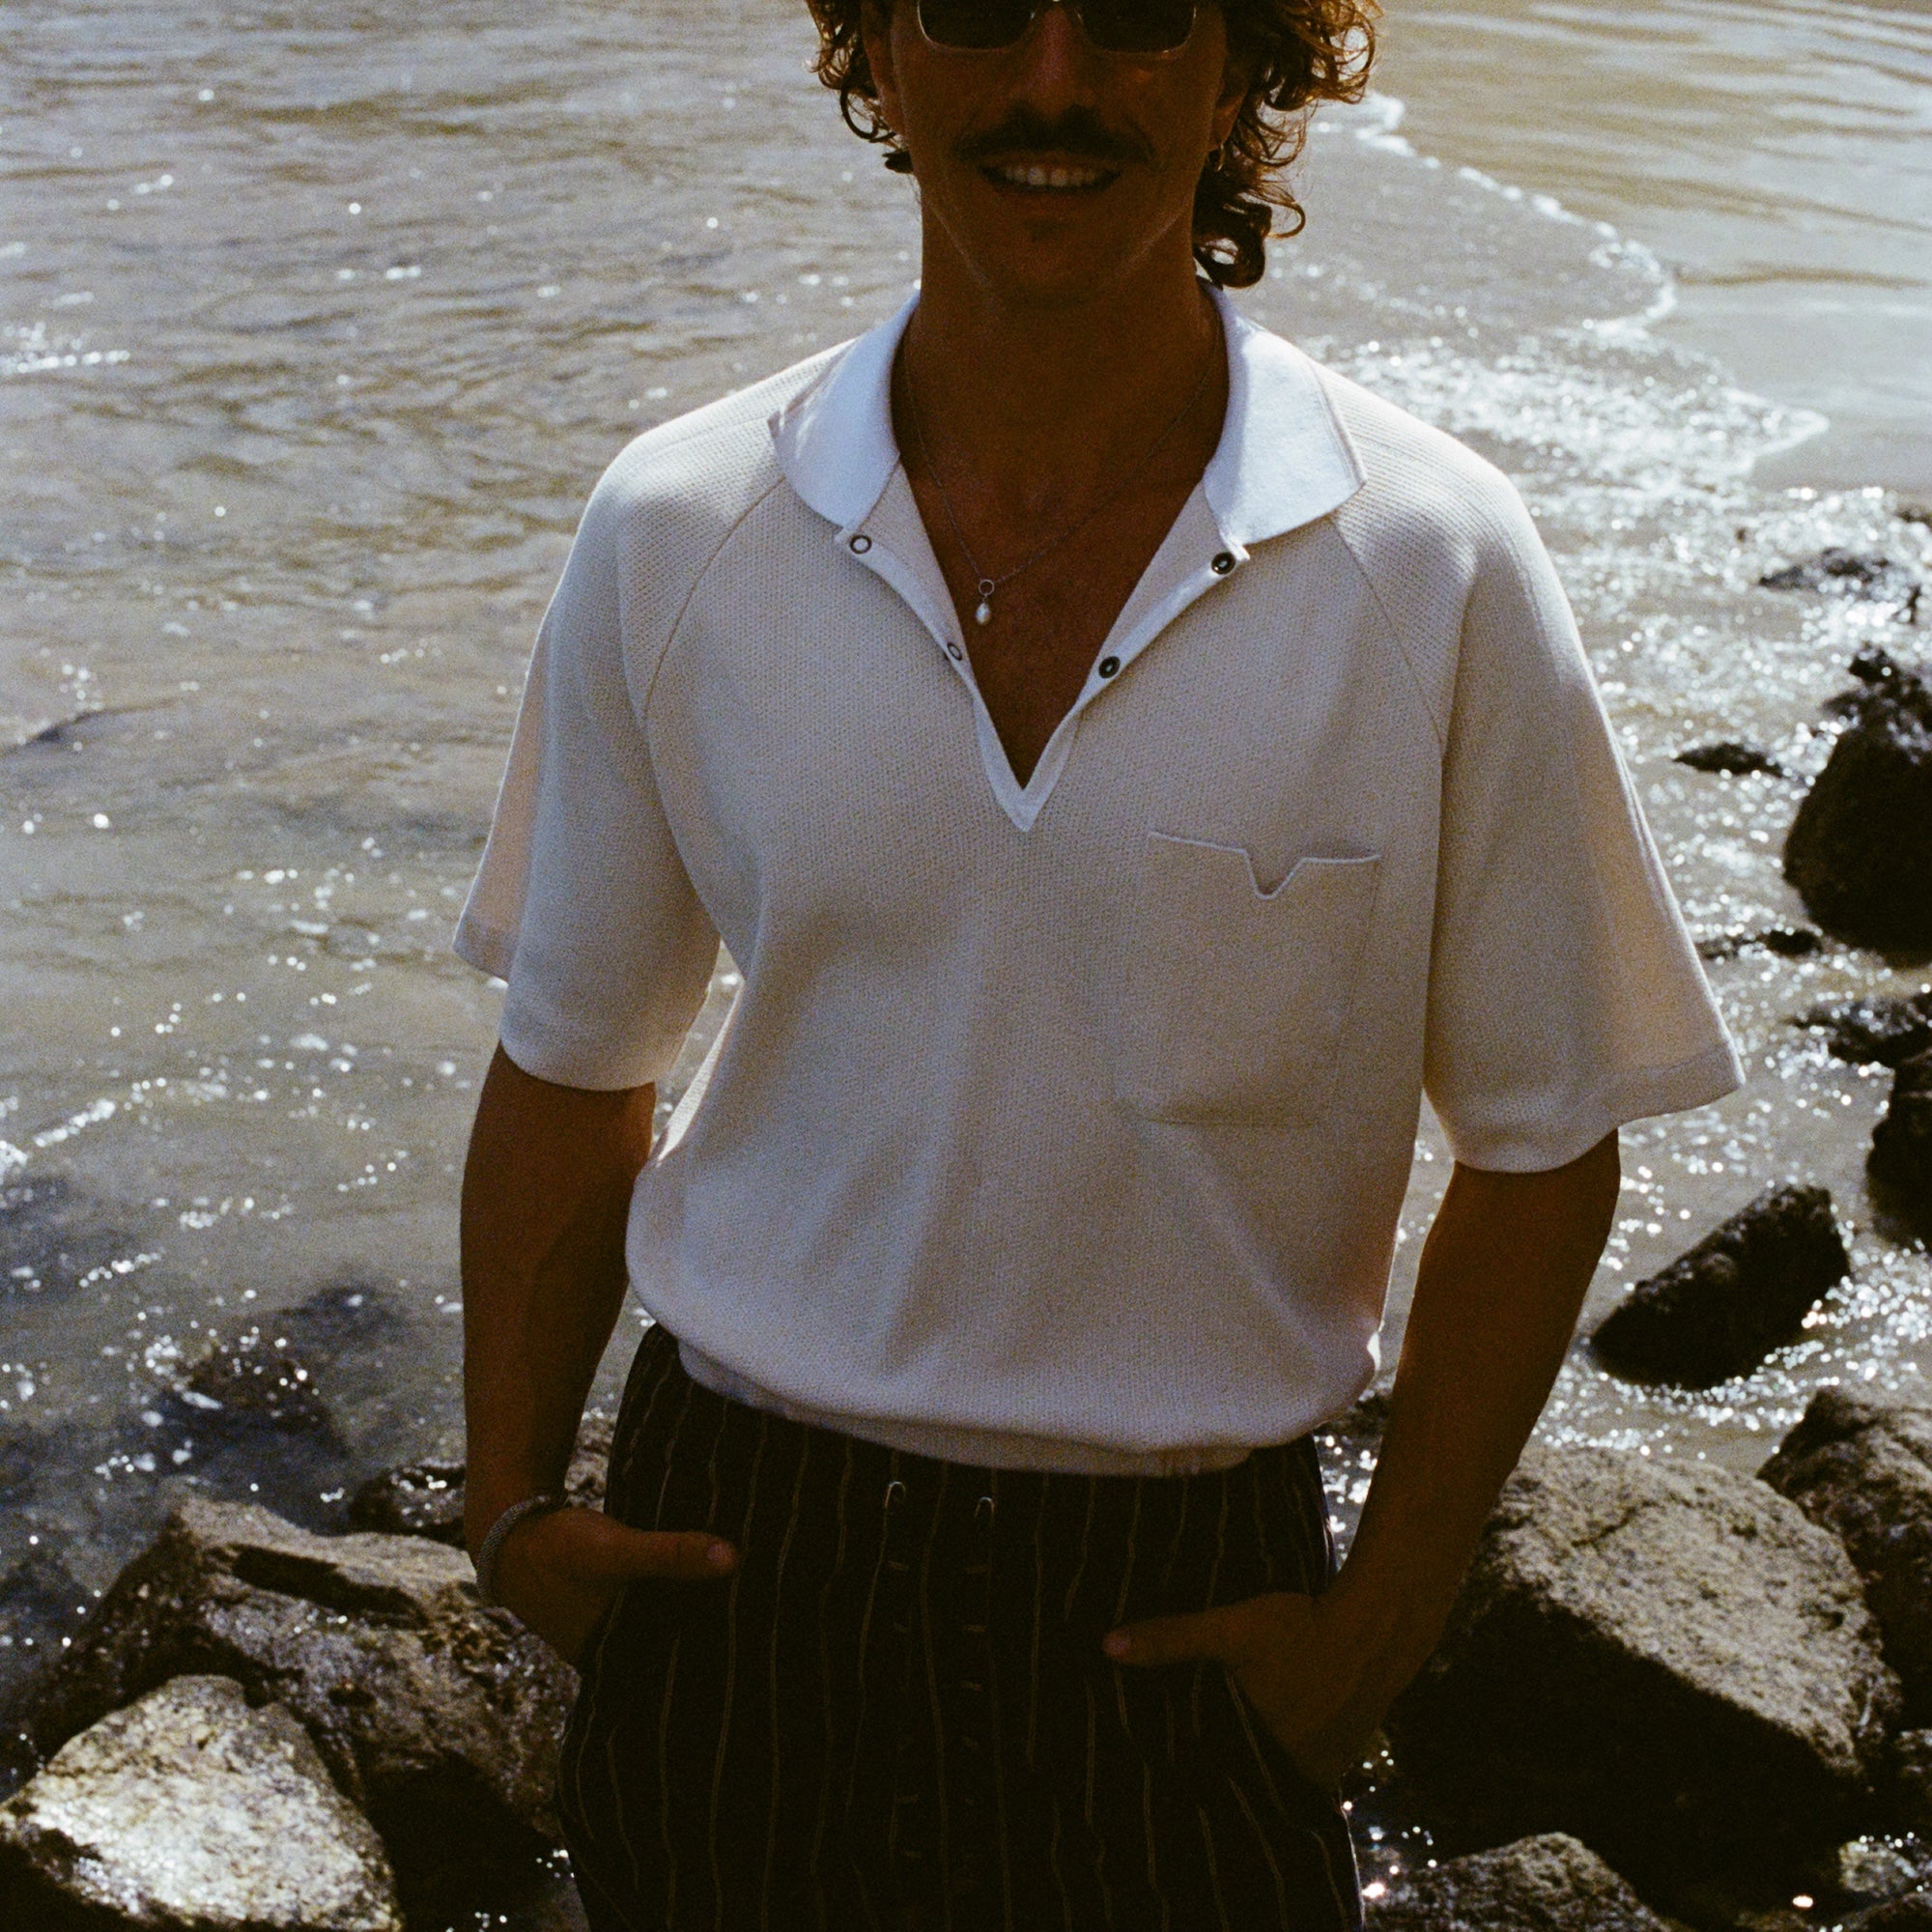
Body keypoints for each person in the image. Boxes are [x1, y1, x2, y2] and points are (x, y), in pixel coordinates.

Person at [452, 0, 1743, 1924]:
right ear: (874, 53)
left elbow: (1541, 1142)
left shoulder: (1433, 565)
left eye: (1134, 19)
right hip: (738, 1566)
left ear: (1241, 69)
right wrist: (505, 1508)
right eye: (976, 12)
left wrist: (1377, 1622)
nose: (1050, 83)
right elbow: (571, 1060)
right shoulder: (681, 525)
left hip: (1178, 1610)